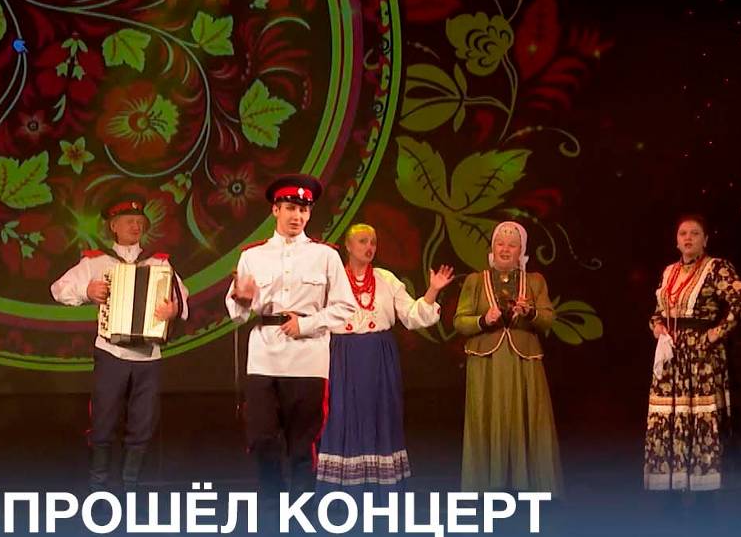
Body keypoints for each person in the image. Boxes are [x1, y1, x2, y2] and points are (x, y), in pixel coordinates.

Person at [226, 174, 356, 496]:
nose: (297, 216)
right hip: (264, 358)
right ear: (275, 210)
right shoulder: (252, 256)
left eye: (303, 210)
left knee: (302, 446)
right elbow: (237, 312)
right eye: (290, 208)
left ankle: (301, 513)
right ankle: (272, 511)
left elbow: (345, 307)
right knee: (261, 440)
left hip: (307, 360)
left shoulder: (325, 255)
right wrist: (243, 300)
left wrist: (306, 324)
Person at [50, 200, 188, 487]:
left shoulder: (159, 262)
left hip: (148, 355)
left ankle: (130, 486)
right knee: (103, 419)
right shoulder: (97, 261)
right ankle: (98, 485)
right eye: (128, 221)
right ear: (113, 226)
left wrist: (172, 310)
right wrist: (87, 291)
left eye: (139, 222)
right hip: (111, 352)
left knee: (143, 422)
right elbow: (58, 289)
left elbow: (182, 298)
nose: (135, 226)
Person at [316, 224, 452, 489]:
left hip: (378, 357)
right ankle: (343, 491)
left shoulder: (385, 279)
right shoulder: (332, 280)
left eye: (373, 242)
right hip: (342, 358)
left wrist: (433, 290)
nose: (369, 247)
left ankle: (380, 490)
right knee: (342, 415)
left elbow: (412, 315)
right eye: (363, 241)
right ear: (348, 245)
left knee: (379, 415)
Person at [644, 214, 741, 495]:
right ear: (676, 241)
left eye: (694, 233)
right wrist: (657, 325)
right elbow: (658, 311)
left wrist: (719, 331)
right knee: (670, 418)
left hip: (701, 356)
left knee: (700, 418)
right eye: (683, 233)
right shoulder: (669, 272)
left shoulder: (715, 268)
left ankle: (704, 492)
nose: (688, 238)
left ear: (705, 239)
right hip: (671, 356)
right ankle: (672, 490)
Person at [453, 220, 562, 494]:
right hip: (486, 362)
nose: (505, 249)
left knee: (528, 418)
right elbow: (459, 321)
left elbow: (548, 319)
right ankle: (488, 484)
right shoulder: (475, 281)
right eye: (500, 243)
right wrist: (482, 319)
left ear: (520, 250)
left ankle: (529, 483)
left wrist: (530, 312)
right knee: (485, 417)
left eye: (512, 245)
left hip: (523, 360)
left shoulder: (534, 281)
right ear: (492, 248)